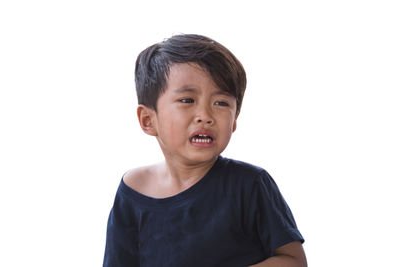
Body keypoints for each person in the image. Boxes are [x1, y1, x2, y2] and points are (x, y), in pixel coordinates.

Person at [103, 34, 307, 266]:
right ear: (148, 120)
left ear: (234, 120)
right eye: (187, 100)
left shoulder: (250, 184)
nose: (206, 117)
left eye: (221, 103)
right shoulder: (133, 191)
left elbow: (293, 261)